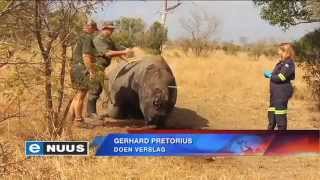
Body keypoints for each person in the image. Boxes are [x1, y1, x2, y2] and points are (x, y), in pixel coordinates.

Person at [86, 21, 132, 119]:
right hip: (96, 66)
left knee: (98, 88)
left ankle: (90, 112)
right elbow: (108, 53)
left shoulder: (109, 40)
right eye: (110, 29)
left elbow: (116, 52)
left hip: (102, 67)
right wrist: (124, 52)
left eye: (112, 29)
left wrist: (128, 60)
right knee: (95, 88)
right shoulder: (99, 39)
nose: (111, 31)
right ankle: (90, 113)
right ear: (104, 28)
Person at [70, 20, 99, 128]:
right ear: (90, 28)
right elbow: (86, 55)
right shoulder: (87, 38)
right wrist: (91, 70)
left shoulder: (78, 37)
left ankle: (71, 119)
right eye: (94, 30)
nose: (94, 32)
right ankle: (79, 121)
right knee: (81, 95)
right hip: (82, 69)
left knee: (77, 94)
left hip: (74, 67)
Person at [264, 43, 296, 130]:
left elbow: (281, 77)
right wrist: (272, 74)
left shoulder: (289, 64)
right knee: (271, 119)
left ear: (285, 51)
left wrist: (271, 76)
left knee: (280, 119)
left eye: (279, 50)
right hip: (275, 95)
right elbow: (277, 74)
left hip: (281, 94)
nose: (278, 52)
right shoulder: (282, 62)